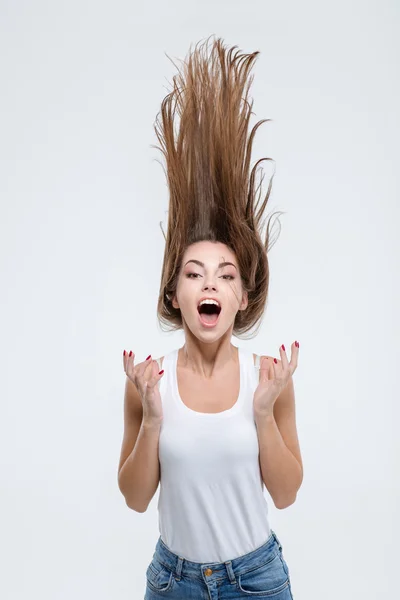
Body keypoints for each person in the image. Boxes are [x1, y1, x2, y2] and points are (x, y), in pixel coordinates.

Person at [118, 35, 303, 599]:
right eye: (194, 273)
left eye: (226, 276)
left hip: (256, 581)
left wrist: (265, 412)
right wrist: (151, 417)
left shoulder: (267, 377)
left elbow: (288, 493)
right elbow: (134, 497)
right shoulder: (148, 381)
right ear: (175, 293)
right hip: (173, 582)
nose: (210, 284)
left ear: (242, 298)